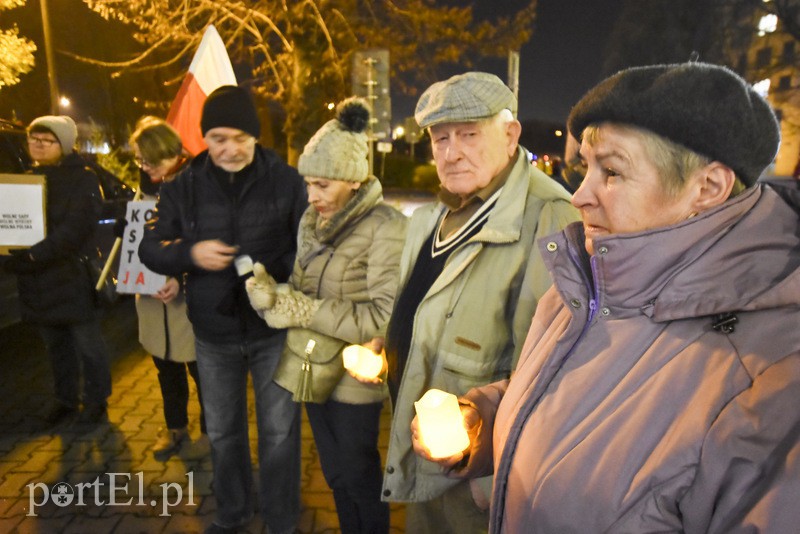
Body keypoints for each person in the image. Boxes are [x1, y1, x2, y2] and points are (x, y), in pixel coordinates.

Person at [420, 62, 800, 532]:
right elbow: (575, 396)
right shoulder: (588, 279)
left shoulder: (770, 376)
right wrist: (485, 418)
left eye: (613, 172)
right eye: (586, 168)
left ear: (707, 187)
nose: (579, 195)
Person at [378, 72, 579, 533]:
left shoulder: (549, 216)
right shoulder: (439, 212)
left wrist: (492, 482)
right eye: (440, 138)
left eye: (469, 134)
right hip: (427, 454)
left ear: (511, 136)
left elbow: (550, 371)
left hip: (474, 476)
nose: (451, 152)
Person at [138, 86, 308, 534]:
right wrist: (191, 255)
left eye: (239, 137)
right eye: (217, 138)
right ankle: (232, 513)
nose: (229, 149)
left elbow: (308, 247)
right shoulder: (181, 186)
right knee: (224, 431)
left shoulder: (287, 180)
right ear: (204, 139)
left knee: (279, 433)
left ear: (254, 135)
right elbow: (150, 248)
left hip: (273, 328)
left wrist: (277, 278)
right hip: (213, 333)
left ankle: (281, 518)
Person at [245, 98, 407, 533]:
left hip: (355, 376)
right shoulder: (310, 222)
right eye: (309, 185)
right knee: (335, 473)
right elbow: (301, 291)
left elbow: (382, 317)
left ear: (354, 181)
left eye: (323, 185)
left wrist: (305, 309)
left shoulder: (386, 226)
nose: (312, 196)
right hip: (311, 365)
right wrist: (273, 296)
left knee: (358, 472)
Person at [2, 115, 112, 426]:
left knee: (88, 345)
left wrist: (36, 255)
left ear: (63, 144)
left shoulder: (84, 178)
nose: (36, 144)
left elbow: (75, 229)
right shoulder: (24, 179)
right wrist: (11, 254)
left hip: (72, 276)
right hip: (38, 280)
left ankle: (96, 400)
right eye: (32, 138)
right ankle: (66, 399)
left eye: (45, 139)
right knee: (55, 347)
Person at [128, 116, 207, 459]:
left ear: (172, 153)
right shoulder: (145, 185)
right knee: (164, 366)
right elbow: (138, 235)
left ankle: (212, 432)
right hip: (152, 298)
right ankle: (175, 427)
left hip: (189, 300)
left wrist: (180, 276)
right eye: (140, 161)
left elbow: (207, 241)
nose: (145, 167)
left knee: (202, 370)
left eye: (150, 160)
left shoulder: (199, 184)